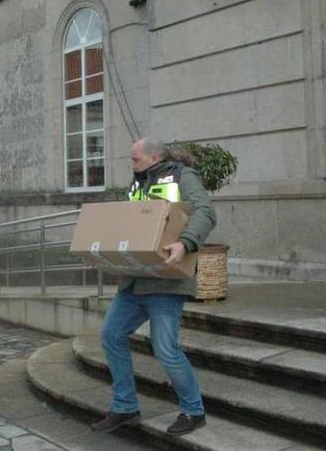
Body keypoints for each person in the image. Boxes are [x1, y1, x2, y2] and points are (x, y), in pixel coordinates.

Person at [90, 137, 216, 437]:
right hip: (135, 280)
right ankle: (125, 408)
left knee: (165, 348)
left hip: (167, 280)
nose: (131, 165)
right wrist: (109, 258)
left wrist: (185, 244)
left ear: (155, 156)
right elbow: (127, 227)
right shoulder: (137, 185)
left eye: (135, 159)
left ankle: (193, 411)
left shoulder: (184, 176)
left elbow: (206, 212)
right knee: (111, 335)